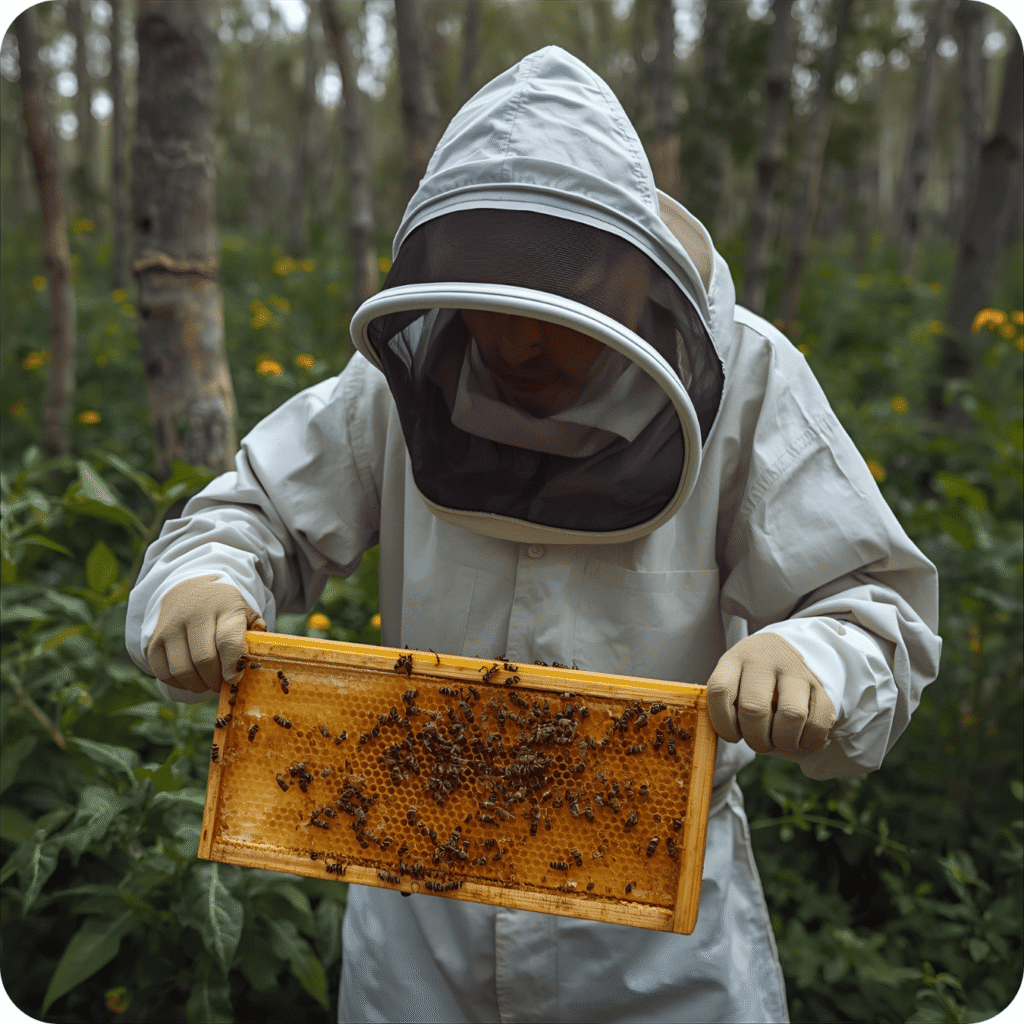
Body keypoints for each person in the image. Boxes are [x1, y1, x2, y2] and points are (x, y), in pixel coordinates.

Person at [127, 46, 941, 1024]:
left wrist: (808, 653)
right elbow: (248, 511)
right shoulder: (413, 376)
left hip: (652, 956)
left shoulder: (751, 379)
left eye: (559, 298)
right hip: (414, 932)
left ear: (635, 272)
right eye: (495, 302)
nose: (516, 344)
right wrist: (207, 578)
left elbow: (875, 610)